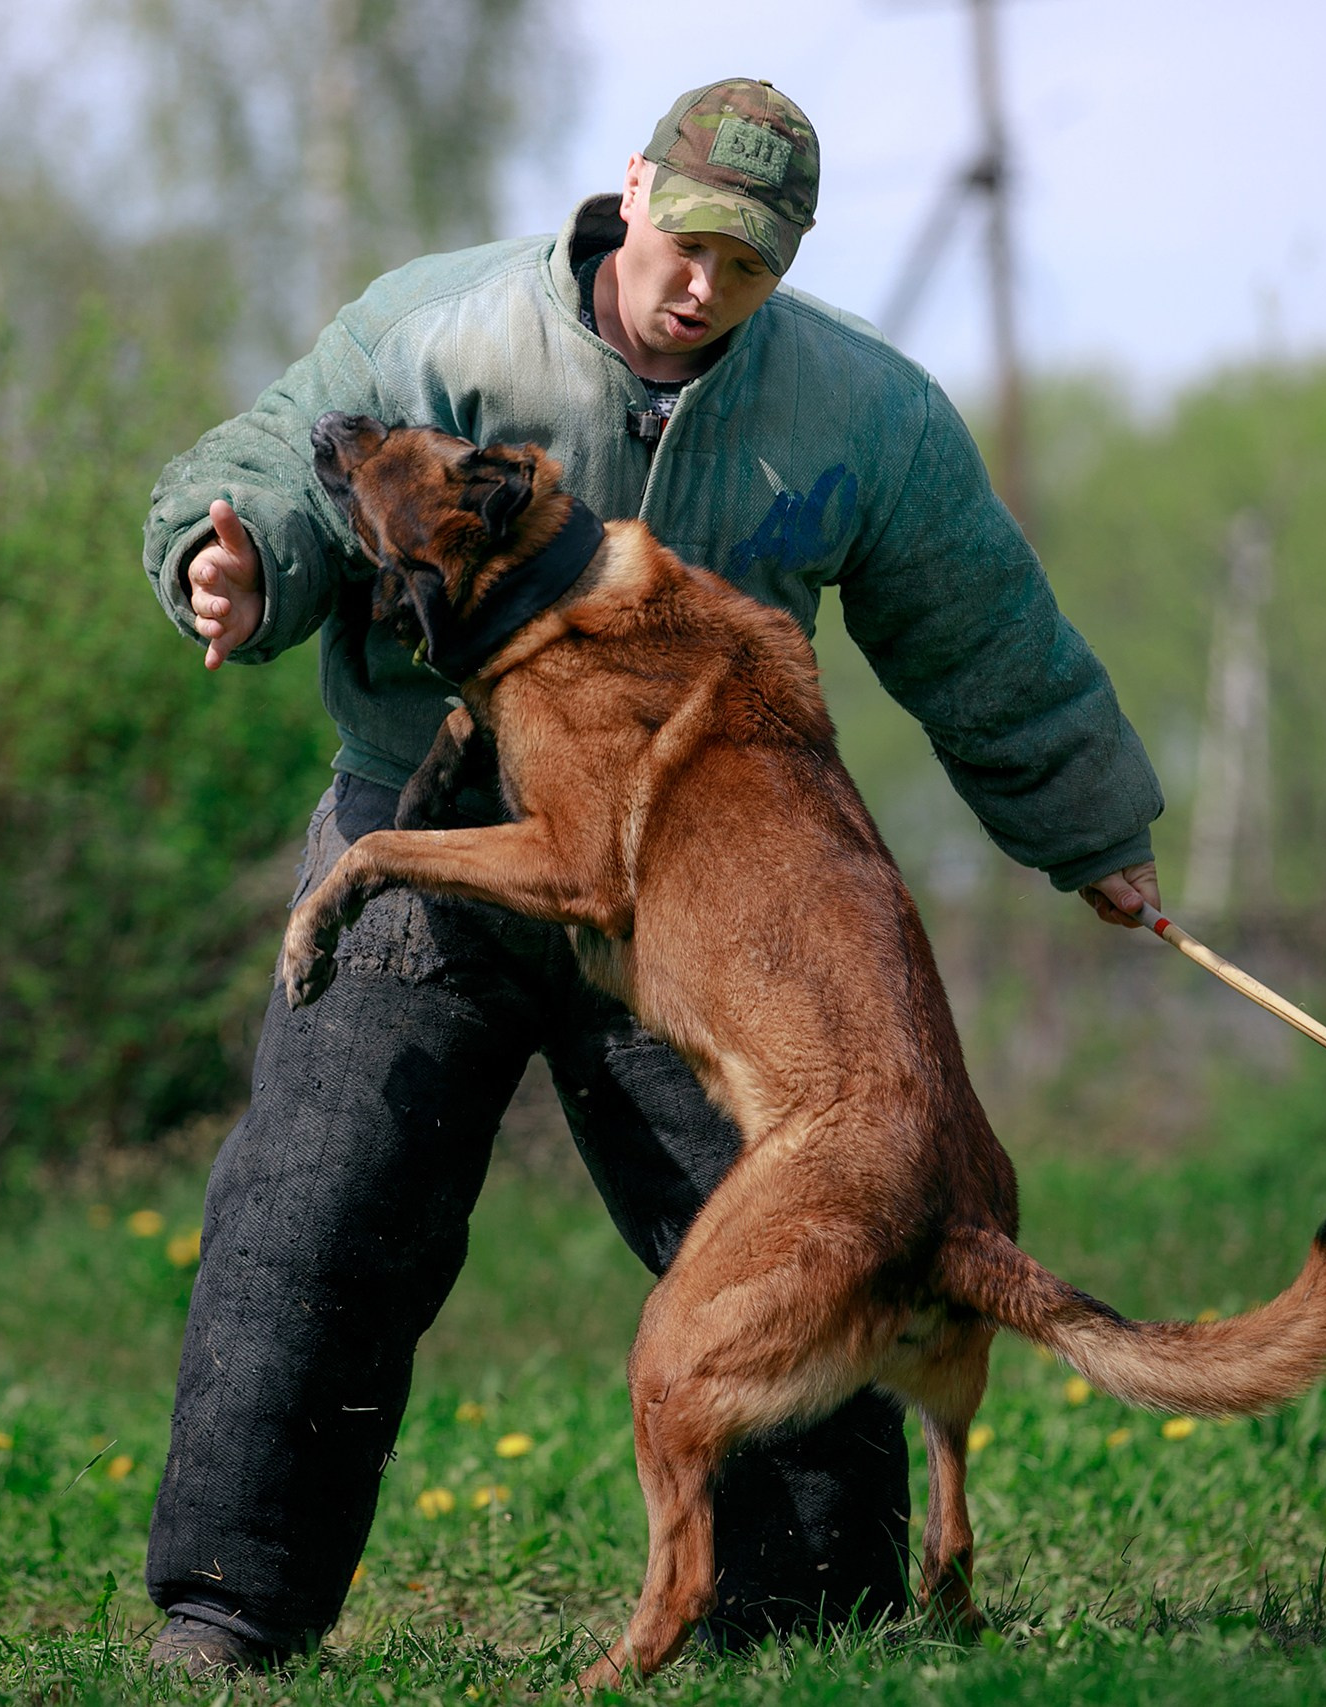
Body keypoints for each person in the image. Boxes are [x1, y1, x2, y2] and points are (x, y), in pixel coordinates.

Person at [136, 78, 1164, 1675]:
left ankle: (809, 1612)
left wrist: (1092, 830)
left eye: (747, 266)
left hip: (699, 902)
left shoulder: (864, 411)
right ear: (631, 191)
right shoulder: (444, 325)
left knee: (804, 1227)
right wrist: (237, 557)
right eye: (686, 244)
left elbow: (986, 634)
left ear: (788, 264)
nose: (702, 287)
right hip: (429, 829)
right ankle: (229, 1611)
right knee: (319, 1209)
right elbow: (289, 454)